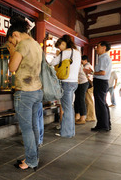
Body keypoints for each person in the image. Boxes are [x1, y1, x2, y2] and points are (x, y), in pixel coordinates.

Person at [6, 15, 42, 171]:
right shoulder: (36, 44)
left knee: (27, 129)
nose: (13, 44)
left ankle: (31, 161)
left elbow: (12, 68)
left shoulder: (22, 45)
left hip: (25, 92)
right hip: (37, 91)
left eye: (12, 41)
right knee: (34, 127)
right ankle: (33, 157)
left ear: (15, 35)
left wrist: (13, 50)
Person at [49, 35, 81, 138]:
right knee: (70, 107)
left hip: (66, 82)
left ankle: (66, 133)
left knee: (67, 108)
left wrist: (57, 55)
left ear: (63, 43)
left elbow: (52, 63)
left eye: (59, 47)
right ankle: (70, 132)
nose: (59, 49)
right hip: (74, 82)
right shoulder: (77, 52)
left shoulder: (66, 52)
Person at [88, 41, 112, 132]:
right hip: (103, 82)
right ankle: (106, 124)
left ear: (104, 47)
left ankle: (103, 125)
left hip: (100, 82)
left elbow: (102, 73)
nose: (96, 49)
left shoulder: (103, 58)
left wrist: (91, 72)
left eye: (98, 46)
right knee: (103, 103)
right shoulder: (105, 57)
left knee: (100, 104)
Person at [74, 55, 90, 124]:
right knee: (77, 100)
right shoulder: (77, 65)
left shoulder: (79, 66)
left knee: (81, 99)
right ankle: (77, 116)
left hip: (83, 83)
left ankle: (83, 118)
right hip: (78, 83)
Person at [82, 55, 96, 122]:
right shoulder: (87, 66)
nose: (81, 62)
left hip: (89, 85)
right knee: (88, 100)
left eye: (82, 61)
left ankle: (91, 116)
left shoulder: (87, 67)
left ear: (85, 60)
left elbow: (87, 76)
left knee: (89, 100)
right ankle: (89, 116)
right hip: (89, 84)